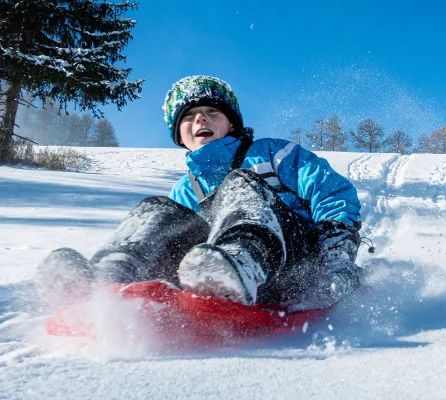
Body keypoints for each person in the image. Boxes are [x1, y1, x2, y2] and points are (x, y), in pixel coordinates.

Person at [36, 75, 362, 310]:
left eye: (212, 112)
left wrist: (338, 253)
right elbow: (171, 239)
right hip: (216, 273)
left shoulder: (271, 153)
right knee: (158, 211)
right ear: (179, 134)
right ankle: (111, 277)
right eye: (189, 116)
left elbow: (331, 191)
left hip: (296, 267)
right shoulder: (186, 188)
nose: (201, 118)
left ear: (230, 124)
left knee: (240, 186)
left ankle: (241, 261)